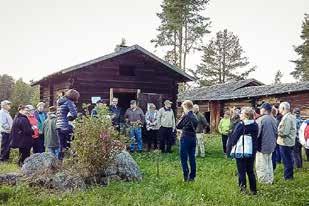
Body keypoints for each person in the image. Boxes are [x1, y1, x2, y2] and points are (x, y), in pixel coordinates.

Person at [227, 107, 258, 195]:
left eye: (242, 113)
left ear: (246, 115)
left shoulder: (241, 125)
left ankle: (243, 189)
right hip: (251, 151)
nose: (240, 115)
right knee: (250, 171)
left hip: (241, 150)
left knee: (241, 171)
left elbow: (234, 138)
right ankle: (253, 190)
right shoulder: (255, 125)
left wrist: (230, 147)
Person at [255, 103, 278, 184]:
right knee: (269, 163)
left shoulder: (260, 120)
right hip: (271, 145)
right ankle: (270, 178)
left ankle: (264, 181)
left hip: (262, 146)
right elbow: (276, 132)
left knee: (261, 164)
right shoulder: (274, 119)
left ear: (264, 110)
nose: (260, 110)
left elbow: (257, 134)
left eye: (261, 109)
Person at [176, 100, 198, 182]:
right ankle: (192, 176)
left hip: (185, 137)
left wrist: (182, 117)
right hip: (193, 137)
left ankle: (186, 176)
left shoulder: (186, 116)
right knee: (192, 157)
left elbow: (178, 126)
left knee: (184, 157)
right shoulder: (195, 116)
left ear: (185, 107)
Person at [56, 89, 79, 160]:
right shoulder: (69, 102)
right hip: (67, 127)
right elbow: (74, 114)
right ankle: (71, 162)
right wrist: (70, 119)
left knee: (62, 146)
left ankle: (60, 163)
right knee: (71, 145)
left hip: (59, 126)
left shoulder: (60, 102)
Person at [277, 102, 296, 180]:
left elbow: (284, 132)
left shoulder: (286, 118)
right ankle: (289, 175)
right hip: (289, 141)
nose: (278, 109)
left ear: (283, 108)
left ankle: (288, 177)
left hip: (285, 142)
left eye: (279, 107)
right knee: (289, 159)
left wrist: (277, 132)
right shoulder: (291, 116)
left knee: (287, 160)